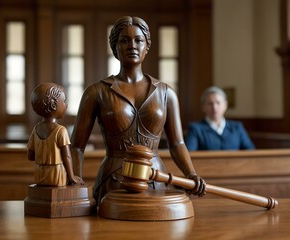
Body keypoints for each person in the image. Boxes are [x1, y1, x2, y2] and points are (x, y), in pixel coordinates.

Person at [70, 16, 205, 203]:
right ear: (115, 47)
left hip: (156, 179)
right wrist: (75, 182)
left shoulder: (166, 93)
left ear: (146, 46)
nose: (131, 45)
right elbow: (76, 146)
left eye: (138, 40)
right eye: (124, 40)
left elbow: (177, 144)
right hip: (113, 180)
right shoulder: (96, 91)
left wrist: (191, 174)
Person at [27, 83, 84, 187]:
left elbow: (30, 156)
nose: (66, 105)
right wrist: (71, 177)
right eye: (64, 101)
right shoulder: (60, 130)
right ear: (54, 106)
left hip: (39, 175)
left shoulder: (35, 129)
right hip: (56, 176)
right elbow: (67, 156)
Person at [185, 86, 255, 151]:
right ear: (203, 107)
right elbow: (190, 154)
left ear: (225, 105)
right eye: (210, 104)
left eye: (218, 103)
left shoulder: (237, 127)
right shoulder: (195, 129)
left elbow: (250, 151)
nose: (214, 107)